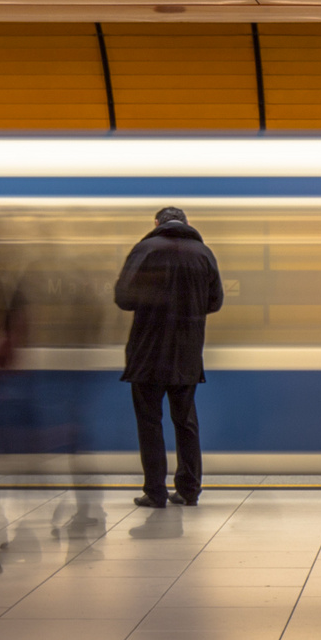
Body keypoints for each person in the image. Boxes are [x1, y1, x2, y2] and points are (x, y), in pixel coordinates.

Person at [114, 206, 223, 508]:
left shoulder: (144, 249)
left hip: (148, 352)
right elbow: (215, 302)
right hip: (187, 351)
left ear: (157, 224)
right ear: (187, 223)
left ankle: (155, 492)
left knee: (150, 422)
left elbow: (123, 298)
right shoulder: (203, 254)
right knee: (185, 421)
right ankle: (189, 490)